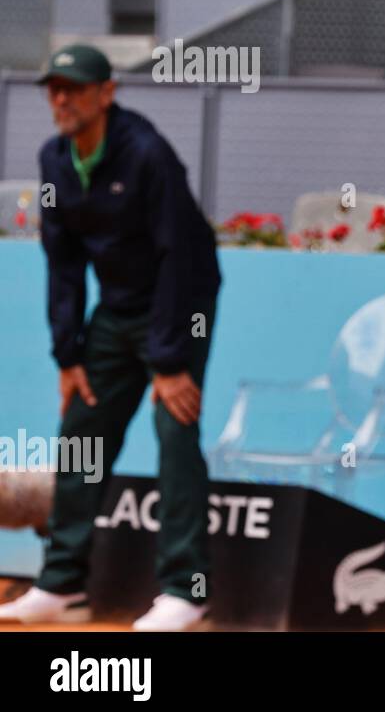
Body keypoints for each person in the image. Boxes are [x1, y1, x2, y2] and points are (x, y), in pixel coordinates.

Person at [0, 44, 222, 631]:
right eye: (54, 88)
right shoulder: (54, 160)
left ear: (106, 94)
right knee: (81, 435)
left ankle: (185, 589)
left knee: (175, 433)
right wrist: (67, 354)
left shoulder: (148, 155)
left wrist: (171, 360)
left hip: (179, 304)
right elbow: (63, 263)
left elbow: (180, 256)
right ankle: (63, 585)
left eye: (74, 87)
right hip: (116, 311)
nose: (62, 98)